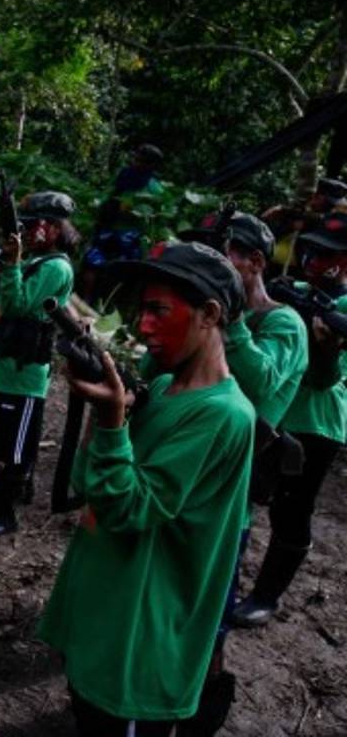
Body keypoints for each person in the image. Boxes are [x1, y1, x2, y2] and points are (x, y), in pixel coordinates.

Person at [37, 241, 253, 736]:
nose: (144, 325)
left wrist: (114, 420)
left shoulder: (222, 413)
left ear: (210, 314)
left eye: (159, 310)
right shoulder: (160, 389)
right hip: (109, 616)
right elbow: (88, 482)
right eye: (142, 310)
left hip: (141, 642)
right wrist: (107, 412)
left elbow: (129, 509)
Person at [175, 211, 308, 733]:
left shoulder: (282, 322)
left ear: (255, 262)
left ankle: (202, 714)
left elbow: (262, 385)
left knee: (210, 614)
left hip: (233, 490)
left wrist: (228, 319)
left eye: (229, 254)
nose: (221, 263)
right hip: (189, 470)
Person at [232, 216, 347, 628]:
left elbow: (322, 379)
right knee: (248, 492)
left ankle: (266, 596)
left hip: (316, 421)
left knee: (291, 510)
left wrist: (327, 348)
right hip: (274, 408)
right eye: (313, 249)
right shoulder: (295, 290)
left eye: (328, 254)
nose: (314, 258)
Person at [0, 191, 77, 538]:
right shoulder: (33, 262)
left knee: (17, 444)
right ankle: (19, 487)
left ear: (55, 229)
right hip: (7, 365)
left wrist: (13, 264)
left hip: (23, 372)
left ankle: (5, 512)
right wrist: (0, 264)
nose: (28, 233)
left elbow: (18, 305)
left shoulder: (56, 267)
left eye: (35, 226)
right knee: (5, 438)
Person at [78, 143, 164, 300]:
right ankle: (86, 300)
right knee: (92, 264)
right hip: (109, 227)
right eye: (136, 158)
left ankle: (108, 304)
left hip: (130, 236)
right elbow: (108, 195)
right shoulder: (124, 175)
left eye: (141, 160)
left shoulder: (155, 188)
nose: (136, 163)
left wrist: (133, 212)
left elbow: (155, 217)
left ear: (151, 165)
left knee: (121, 273)